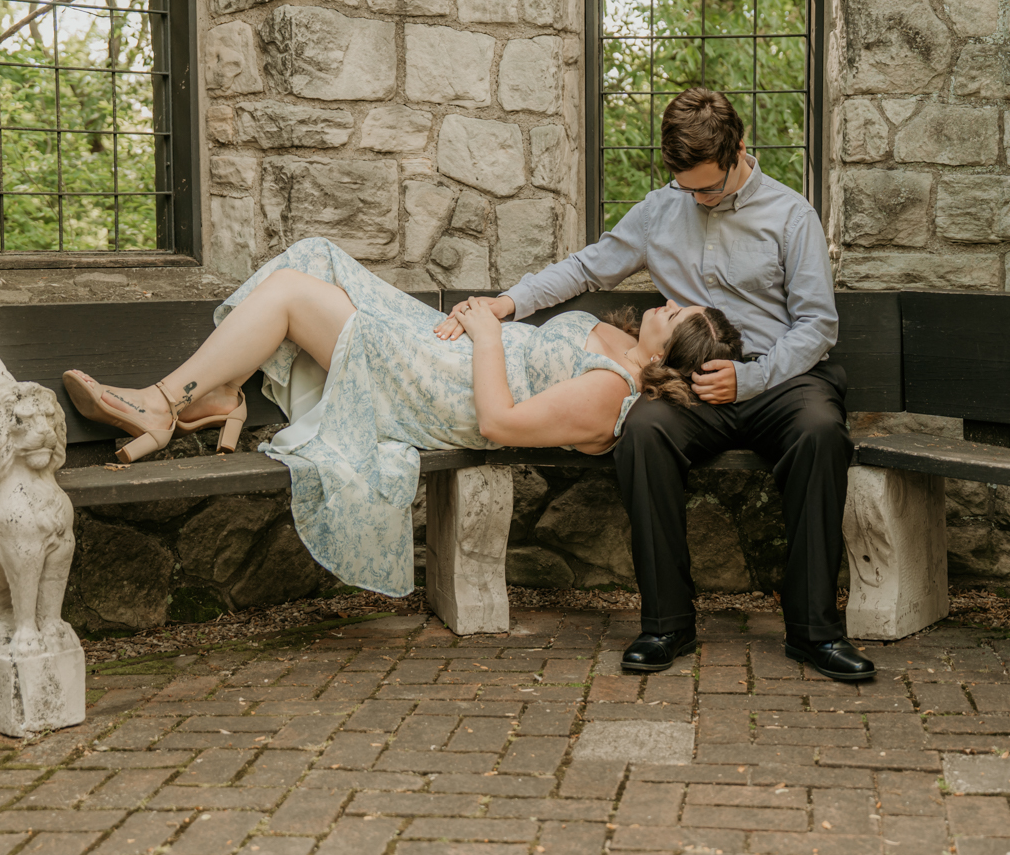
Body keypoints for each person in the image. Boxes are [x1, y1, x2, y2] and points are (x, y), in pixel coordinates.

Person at [434, 88, 874, 682]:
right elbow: (587, 266)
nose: (697, 198)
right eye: (687, 188)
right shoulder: (662, 208)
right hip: (687, 385)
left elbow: (817, 325)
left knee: (822, 433)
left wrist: (749, 378)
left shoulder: (791, 216)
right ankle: (667, 623)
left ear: (741, 150)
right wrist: (509, 302)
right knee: (641, 430)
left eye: (709, 188)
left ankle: (814, 632)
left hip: (779, 379)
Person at [61, 236, 742, 598]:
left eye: (681, 317)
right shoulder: (624, 340)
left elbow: (500, 422)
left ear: (676, 355)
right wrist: (491, 315)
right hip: (450, 354)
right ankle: (217, 396)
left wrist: (484, 336)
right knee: (315, 254)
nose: (670, 304)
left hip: (446, 390)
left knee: (297, 293)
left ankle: (163, 404)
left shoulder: (608, 394)